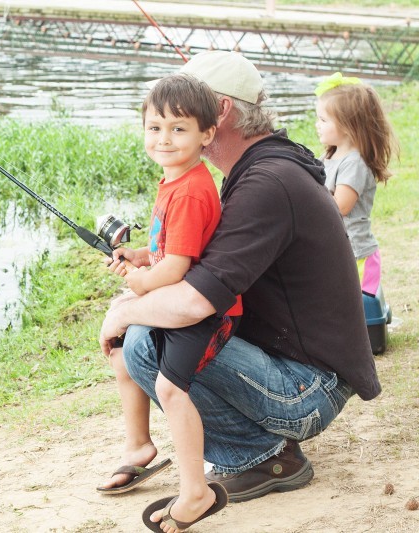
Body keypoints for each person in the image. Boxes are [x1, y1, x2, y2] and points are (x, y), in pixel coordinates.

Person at [101, 51, 381, 532]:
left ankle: (260, 456)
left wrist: (127, 312)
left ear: (219, 115)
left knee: (147, 339)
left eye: (184, 113)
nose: (168, 131)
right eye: (157, 124)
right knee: (147, 324)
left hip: (308, 391)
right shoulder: (261, 166)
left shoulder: (266, 182)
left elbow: (194, 302)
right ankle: (241, 447)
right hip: (304, 371)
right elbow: (198, 262)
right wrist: (147, 267)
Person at [97, 74, 241, 529]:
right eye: (154, 127)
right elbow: (172, 250)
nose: (164, 138)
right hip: (179, 292)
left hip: (202, 310)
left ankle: (195, 491)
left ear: (207, 134)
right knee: (122, 354)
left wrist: (139, 282)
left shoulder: (193, 190)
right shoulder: (175, 182)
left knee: (170, 389)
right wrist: (140, 257)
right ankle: (139, 444)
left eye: (179, 129)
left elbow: (176, 269)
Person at [314, 72, 398, 295]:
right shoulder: (329, 157)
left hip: (357, 255)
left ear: (348, 125)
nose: (317, 125)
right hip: (340, 251)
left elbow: (340, 206)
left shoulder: (355, 163)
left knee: (358, 306)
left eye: (323, 120)